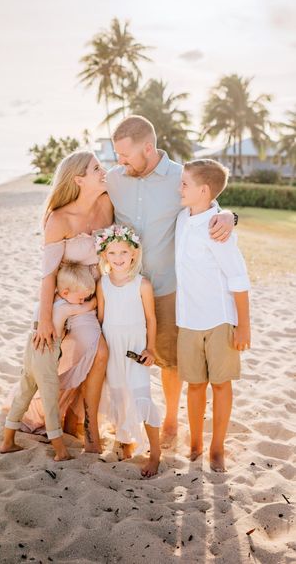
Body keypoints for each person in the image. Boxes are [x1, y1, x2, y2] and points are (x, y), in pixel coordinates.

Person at [107, 115, 236, 446]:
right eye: (117, 155)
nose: (119, 162)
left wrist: (229, 216)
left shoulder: (181, 177)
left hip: (167, 288)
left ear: (148, 148)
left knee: (168, 358)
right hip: (124, 287)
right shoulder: (115, 178)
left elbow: (211, 206)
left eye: (125, 155)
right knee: (123, 354)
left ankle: (169, 418)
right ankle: (127, 418)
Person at [25, 151, 113, 452]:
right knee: (59, 359)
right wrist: (47, 320)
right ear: (78, 180)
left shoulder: (106, 204)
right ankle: (64, 419)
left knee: (99, 353)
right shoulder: (59, 219)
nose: (104, 171)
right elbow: (48, 275)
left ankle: (86, 423)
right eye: (97, 168)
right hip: (63, 301)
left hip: (92, 298)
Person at [176, 159, 251, 472]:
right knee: (194, 385)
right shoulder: (182, 218)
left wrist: (243, 326)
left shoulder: (217, 230)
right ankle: (195, 442)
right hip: (188, 321)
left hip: (220, 321)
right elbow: (212, 202)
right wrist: (226, 211)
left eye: (184, 184)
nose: (179, 188)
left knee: (220, 385)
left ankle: (217, 448)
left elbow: (238, 277)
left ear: (203, 190)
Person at [0, 262, 97, 461]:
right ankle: (60, 451)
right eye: (80, 297)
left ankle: (7, 441)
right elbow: (91, 306)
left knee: (23, 396)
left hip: (30, 354)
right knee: (51, 404)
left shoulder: (47, 303)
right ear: (66, 291)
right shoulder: (65, 308)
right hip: (45, 359)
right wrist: (95, 298)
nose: (81, 301)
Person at [96, 224, 162, 477]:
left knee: (141, 395)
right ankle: (125, 442)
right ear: (104, 256)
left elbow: (151, 319)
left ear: (133, 253)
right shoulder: (103, 283)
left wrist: (150, 348)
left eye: (123, 252)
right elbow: (101, 318)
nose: (118, 258)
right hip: (112, 346)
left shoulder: (142, 284)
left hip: (135, 348)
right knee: (119, 396)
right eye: (112, 254)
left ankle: (155, 453)